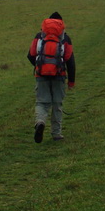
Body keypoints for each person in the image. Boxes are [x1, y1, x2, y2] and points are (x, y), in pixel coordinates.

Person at [27, 12, 76, 142]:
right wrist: (71, 81)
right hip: (59, 76)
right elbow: (70, 61)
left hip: (41, 75)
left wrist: (39, 66)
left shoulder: (39, 36)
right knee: (57, 104)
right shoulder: (65, 38)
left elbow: (31, 55)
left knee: (42, 102)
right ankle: (56, 134)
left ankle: (40, 121)